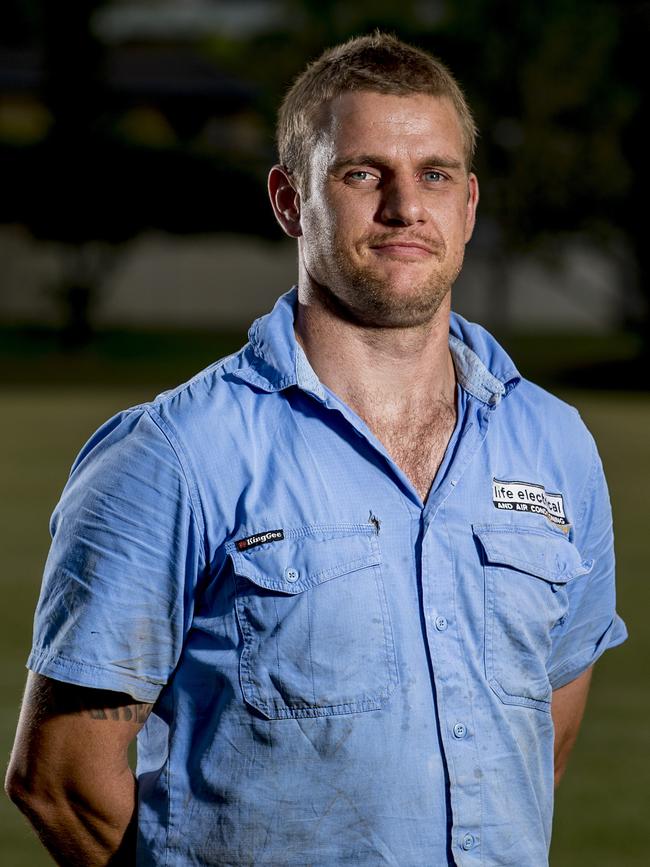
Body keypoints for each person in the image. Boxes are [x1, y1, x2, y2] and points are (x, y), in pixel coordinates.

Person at [6, 33, 627, 867]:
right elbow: (62, 778)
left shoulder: (556, 446)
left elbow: (537, 742)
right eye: (363, 172)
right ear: (290, 199)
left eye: (435, 174)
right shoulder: (174, 456)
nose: (407, 206)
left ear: (469, 206)